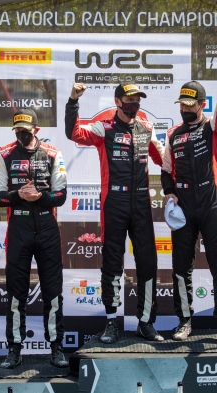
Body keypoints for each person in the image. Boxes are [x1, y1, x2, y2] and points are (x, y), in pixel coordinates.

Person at [65, 82, 164, 344]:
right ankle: (111, 322)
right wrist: (73, 102)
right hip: (114, 202)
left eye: (137, 100)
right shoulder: (104, 127)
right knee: (112, 263)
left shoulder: (146, 127)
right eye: (129, 100)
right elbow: (74, 133)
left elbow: (163, 159)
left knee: (147, 263)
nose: (134, 104)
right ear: (117, 102)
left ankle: (146, 322)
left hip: (141, 202)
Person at [161, 55, 217, 345]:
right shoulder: (173, 134)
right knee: (181, 268)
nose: (184, 109)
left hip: (210, 203)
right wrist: (169, 191)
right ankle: (184, 321)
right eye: (181, 104)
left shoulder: (214, 128)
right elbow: (166, 169)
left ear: (201, 105)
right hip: (184, 206)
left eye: (189, 104)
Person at [0, 108, 68, 369]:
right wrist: (18, 196)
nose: (21, 135)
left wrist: (41, 197)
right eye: (17, 131)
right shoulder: (4, 154)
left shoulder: (52, 153)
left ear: (36, 129)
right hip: (19, 227)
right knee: (16, 292)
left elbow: (61, 195)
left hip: (47, 227)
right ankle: (14, 349)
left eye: (25, 131)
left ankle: (56, 347)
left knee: (53, 291)